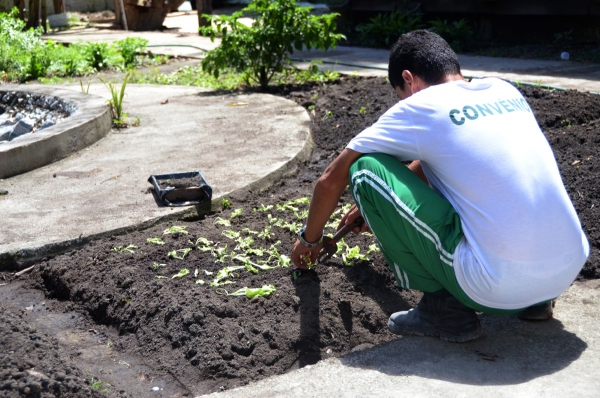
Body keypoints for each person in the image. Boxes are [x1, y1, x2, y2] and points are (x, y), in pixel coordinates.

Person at [291, 30, 589, 343]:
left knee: (365, 171)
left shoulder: (421, 106)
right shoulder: (503, 90)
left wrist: (309, 240)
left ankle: (443, 309)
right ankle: (535, 300)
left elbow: (331, 179)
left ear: (409, 79)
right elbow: (447, 157)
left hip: (493, 286)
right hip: (564, 269)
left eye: (400, 95)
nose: (403, 102)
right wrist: (388, 203)